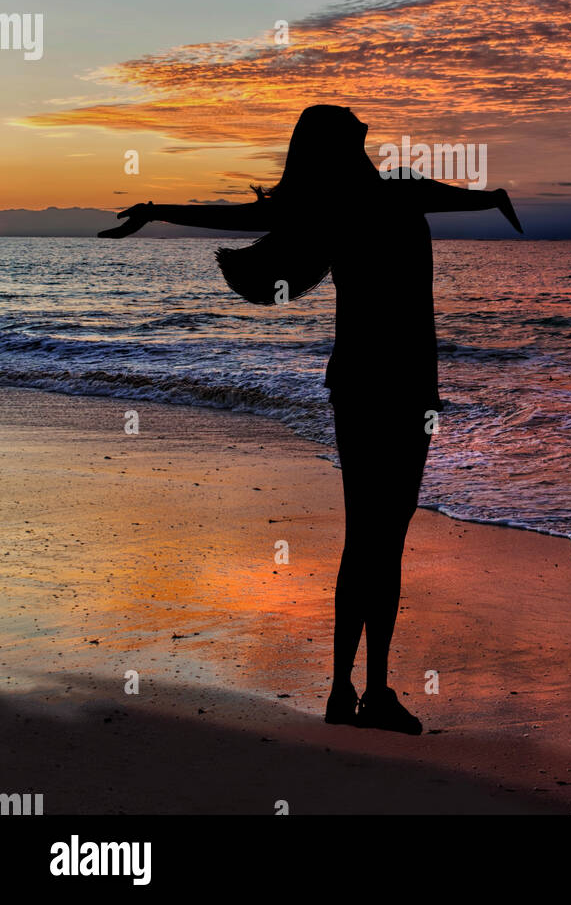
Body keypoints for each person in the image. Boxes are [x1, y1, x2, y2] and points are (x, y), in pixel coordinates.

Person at [100, 104, 522, 733]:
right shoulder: (380, 199)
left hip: (372, 388)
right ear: (341, 145)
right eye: (354, 129)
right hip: (397, 389)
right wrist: (494, 198)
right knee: (382, 540)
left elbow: (454, 197)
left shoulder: (344, 205)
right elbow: (468, 198)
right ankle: (366, 691)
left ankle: (348, 692)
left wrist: (492, 196)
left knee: (372, 538)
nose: (364, 131)